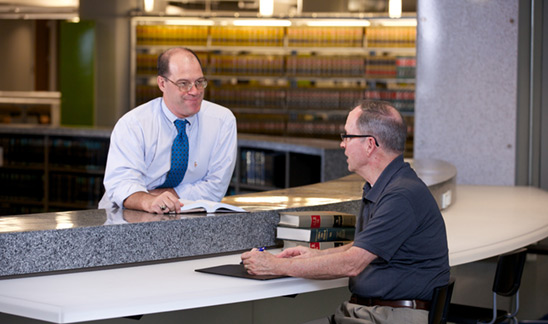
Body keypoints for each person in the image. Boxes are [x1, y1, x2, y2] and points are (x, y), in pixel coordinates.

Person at [241, 100, 450, 324]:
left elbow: (353, 263)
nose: (342, 144)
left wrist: (275, 266)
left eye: (347, 136)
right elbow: (367, 246)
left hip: (390, 317)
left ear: (370, 144)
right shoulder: (386, 185)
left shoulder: (401, 195)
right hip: (370, 312)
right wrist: (317, 255)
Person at [99, 47, 237, 214]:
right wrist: (147, 200)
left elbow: (215, 187)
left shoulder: (222, 121)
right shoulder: (133, 124)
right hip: (126, 216)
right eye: (183, 84)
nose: (195, 91)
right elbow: (121, 184)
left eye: (199, 82)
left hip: (185, 215)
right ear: (162, 83)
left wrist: (165, 197)